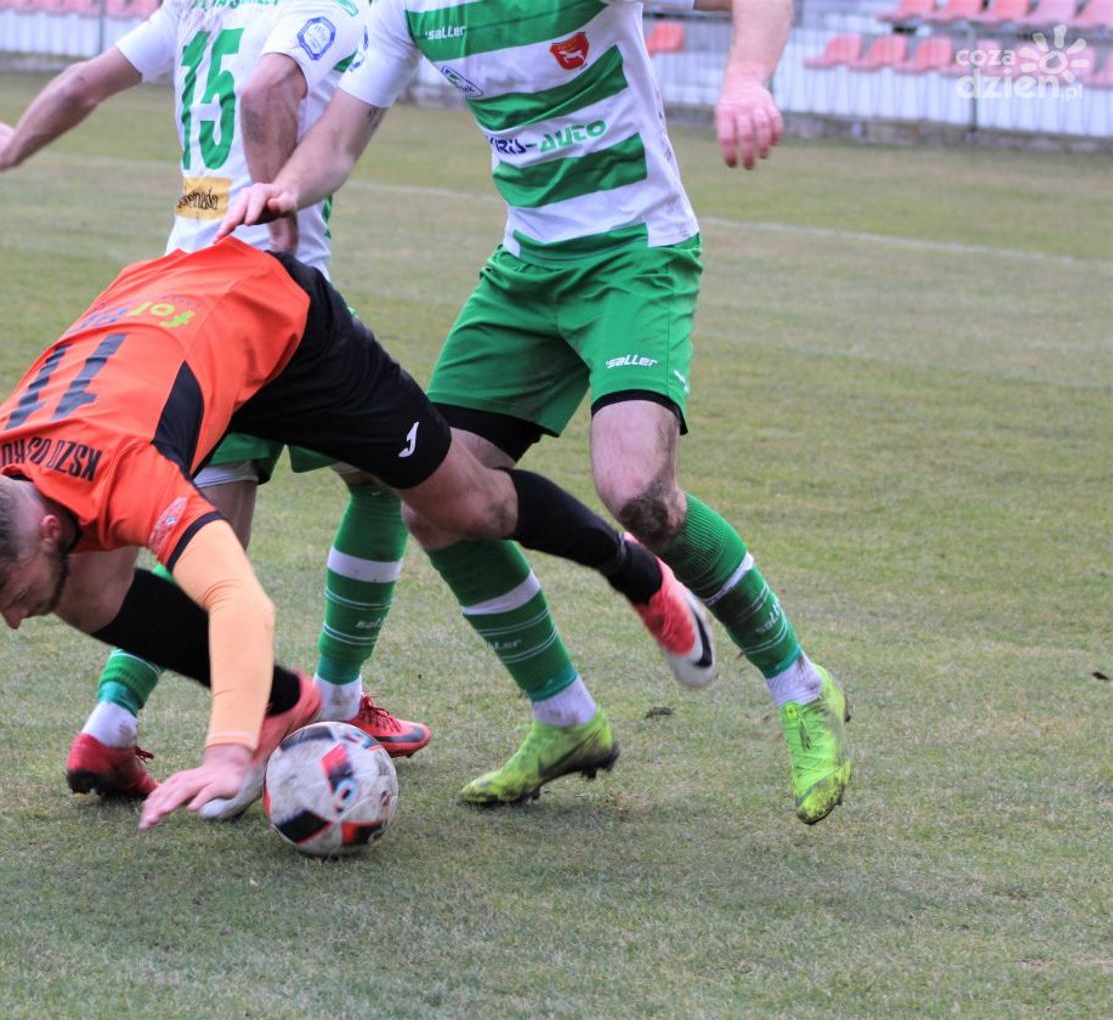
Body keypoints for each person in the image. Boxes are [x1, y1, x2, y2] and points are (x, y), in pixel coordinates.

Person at [0, 239, 710, 862]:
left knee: (469, 504)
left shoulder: (124, 474)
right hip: (162, 323)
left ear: (44, 525)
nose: (16, 621)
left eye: (13, 597)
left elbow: (240, 600)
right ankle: (290, 703)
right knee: (87, 594)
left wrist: (221, 751)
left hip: (279, 324)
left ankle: (634, 569)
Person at [220, 0, 853, 823]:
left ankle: (802, 688)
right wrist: (281, 191)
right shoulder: (411, 8)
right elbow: (337, 140)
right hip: (525, 273)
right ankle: (565, 718)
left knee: (640, 496)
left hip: (635, 254)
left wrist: (745, 80)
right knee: (434, 500)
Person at [0, 0, 431, 800]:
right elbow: (268, 89)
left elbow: (82, 82)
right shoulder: (317, 8)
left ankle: (111, 723)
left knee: (203, 536)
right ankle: (335, 702)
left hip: (178, 304)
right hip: (269, 302)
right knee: (379, 483)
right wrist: (276, 208)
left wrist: (8, 149)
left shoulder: (194, 7)